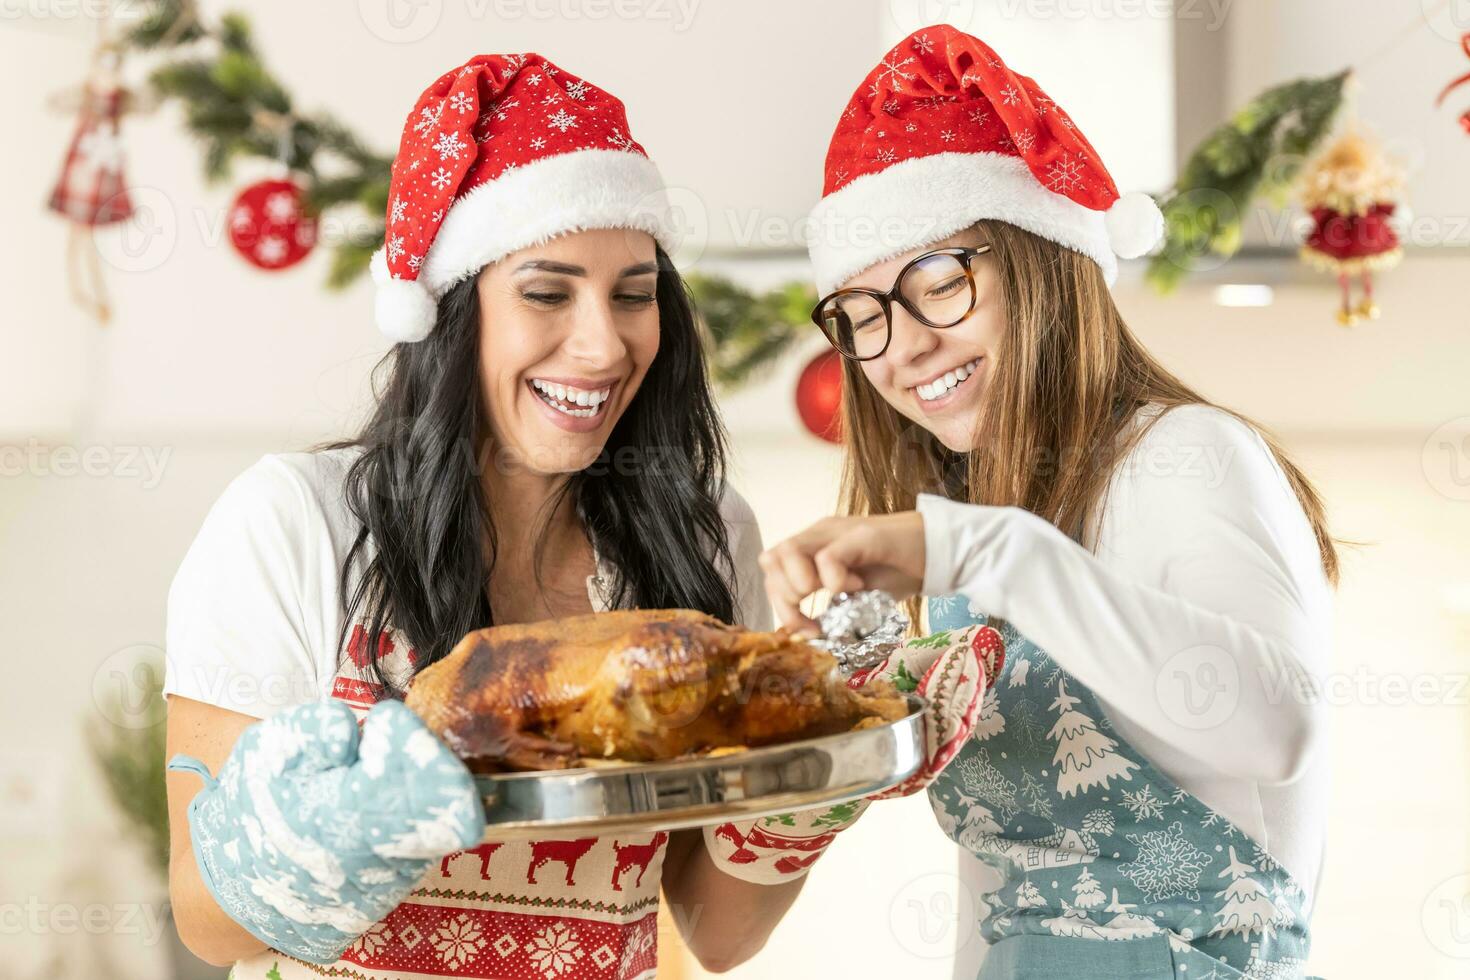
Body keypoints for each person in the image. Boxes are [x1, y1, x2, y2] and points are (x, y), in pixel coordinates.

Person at [162, 52, 797, 980]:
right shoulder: (293, 523)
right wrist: (354, 825)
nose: (604, 342)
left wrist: (806, 799)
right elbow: (205, 922)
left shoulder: (703, 537)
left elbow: (716, 929)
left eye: (634, 293)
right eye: (547, 292)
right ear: (454, 313)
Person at [760, 25, 1335, 979]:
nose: (901, 349)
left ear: (1042, 260)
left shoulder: (1185, 456)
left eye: (939, 282)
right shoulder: (971, 535)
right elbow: (995, 893)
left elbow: (1280, 728)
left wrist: (985, 551)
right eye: (860, 318)